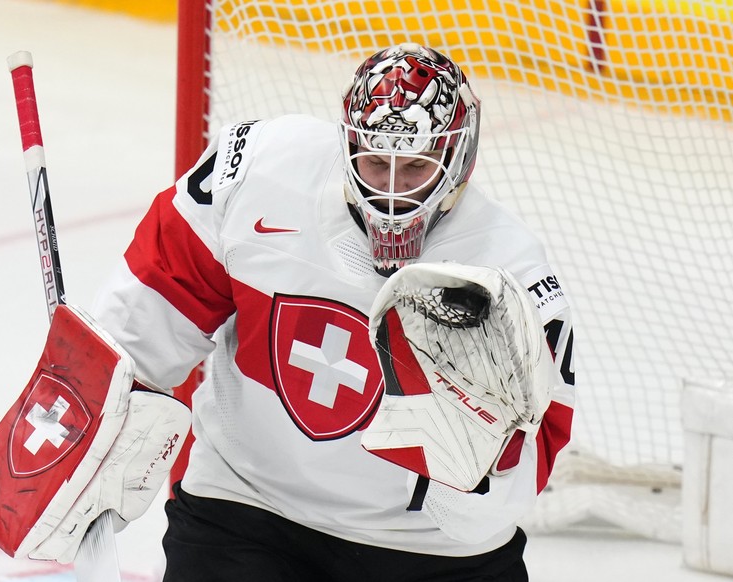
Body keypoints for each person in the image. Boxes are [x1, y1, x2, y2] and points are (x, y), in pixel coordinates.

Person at [90, 43, 576, 581]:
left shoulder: (511, 276)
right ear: (346, 146)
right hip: (246, 509)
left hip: (428, 552)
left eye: (414, 167)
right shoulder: (258, 172)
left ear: (458, 158)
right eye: (374, 163)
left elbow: (523, 469)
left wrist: (469, 465)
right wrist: (90, 414)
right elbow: (149, 310)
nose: (391, 194)